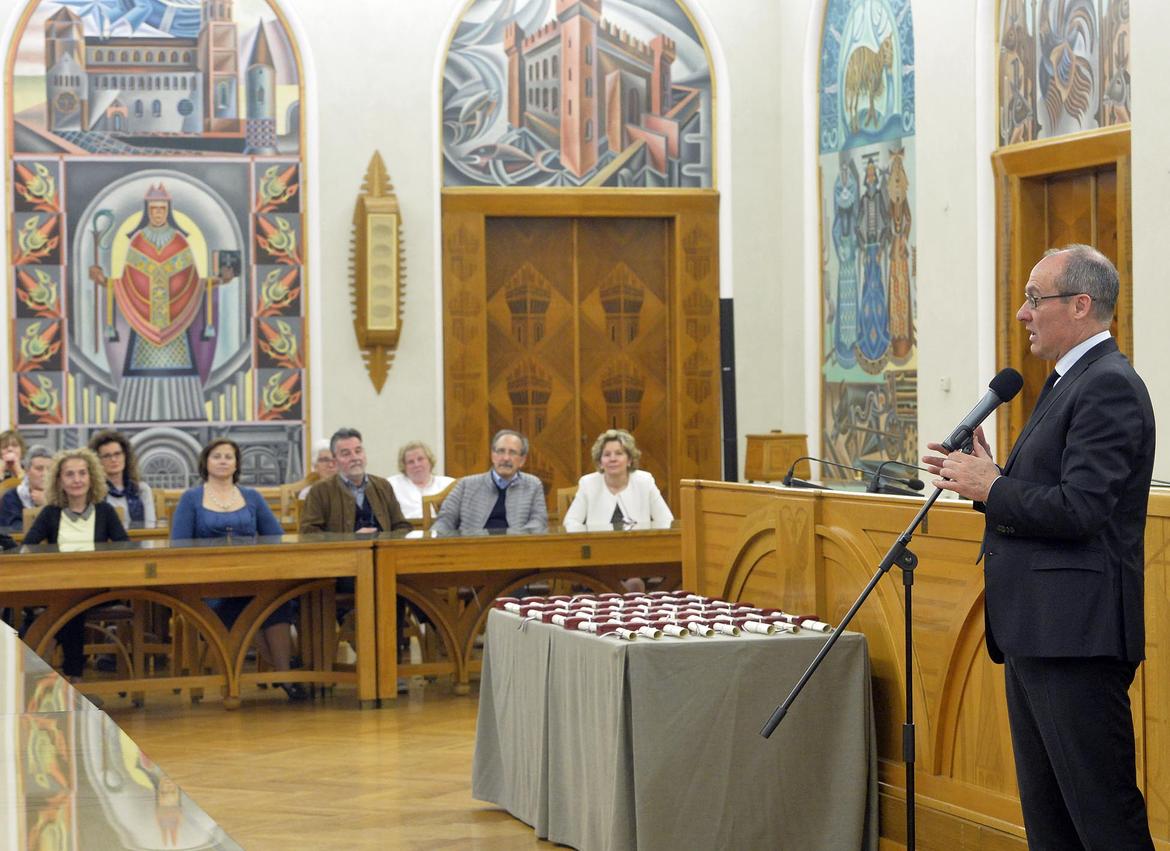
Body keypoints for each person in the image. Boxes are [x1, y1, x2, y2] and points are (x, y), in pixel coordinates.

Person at [922, 244, 1154, 849]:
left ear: (1080, 305)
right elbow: (1054, 494)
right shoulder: (1068, 381)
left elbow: (1082, 509)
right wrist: (988, 477)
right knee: (1052, 827)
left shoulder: (1108, 386)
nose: (1023, 313)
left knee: (1104, 822)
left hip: (1075, 637)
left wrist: (993, 487)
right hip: (1039, 630)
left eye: (1034, 298)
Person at [171, 438, 306, 701]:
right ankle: (278, 672)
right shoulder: (191, 499)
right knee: (248, 609)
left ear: (236, 464)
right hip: (210, 586)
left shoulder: (252, 497)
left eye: (228, 457)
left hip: (252, 579)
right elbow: (179, 545)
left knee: (274, 603)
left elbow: (275, 537)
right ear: (206, 463)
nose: (223, 461)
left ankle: (285, 676)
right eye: (216, 456)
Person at [24, 448, 129, 680]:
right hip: (58, 586)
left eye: (82, 473)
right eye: (69, 474)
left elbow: (125, 548)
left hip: (98, 588)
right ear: (59, 481)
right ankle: (73, 674)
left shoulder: (105, 511)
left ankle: (52, 660)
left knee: (67, 606)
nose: (77, 479)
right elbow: (28, 548)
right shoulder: (50, 513)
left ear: (92, 477)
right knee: (69, 604)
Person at [300, 428, 412, 535]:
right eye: (346, 454)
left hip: (383, 548)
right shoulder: (320, 491)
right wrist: (350, 539)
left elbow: (402, 526)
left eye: (358, 451)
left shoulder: (383, 486)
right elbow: (309, 533)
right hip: (344, 549)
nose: (354, 458)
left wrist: (386, 539)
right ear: (335, 460)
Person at [431, 430, 547, 533]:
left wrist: (519, 540)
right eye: (501, 451)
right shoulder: (466, 484)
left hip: (516, 546)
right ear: (493, 456)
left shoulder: (533, 485)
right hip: (472, 546)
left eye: (512, 452)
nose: (506, 458)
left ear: (522, 460)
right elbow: (445, 520)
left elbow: (539, 521)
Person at [563, 429, 672, 531]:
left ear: (629, 460)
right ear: (600, 462)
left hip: (639, 544)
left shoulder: (645, 481)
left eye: (619, 453)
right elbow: (571, 522)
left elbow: (665, 520)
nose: (613, 459)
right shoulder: (588, 484)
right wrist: (587, 541)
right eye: (607, 454)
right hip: (598, 544)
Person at [88, 430, 155, 528]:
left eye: (117, 454)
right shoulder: (93, 492)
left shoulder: (141, 489)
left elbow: (150, 527)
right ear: (97, 460)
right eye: (107, 456)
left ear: (125, 456)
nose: (113, 459)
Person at [388, 441, 454, 521]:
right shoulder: (391, 485)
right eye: (410, 462)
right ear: (404, 466)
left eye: (420, 459)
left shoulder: (449, 484)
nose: (417, 464)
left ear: (430, 461)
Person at [0, 446, 51, 529]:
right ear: (27, 470)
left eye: (50, 469)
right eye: (39, 469)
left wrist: (46, 504)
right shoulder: (12, 497)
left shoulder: (62, 496)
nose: (45, 474)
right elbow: (14, 529)